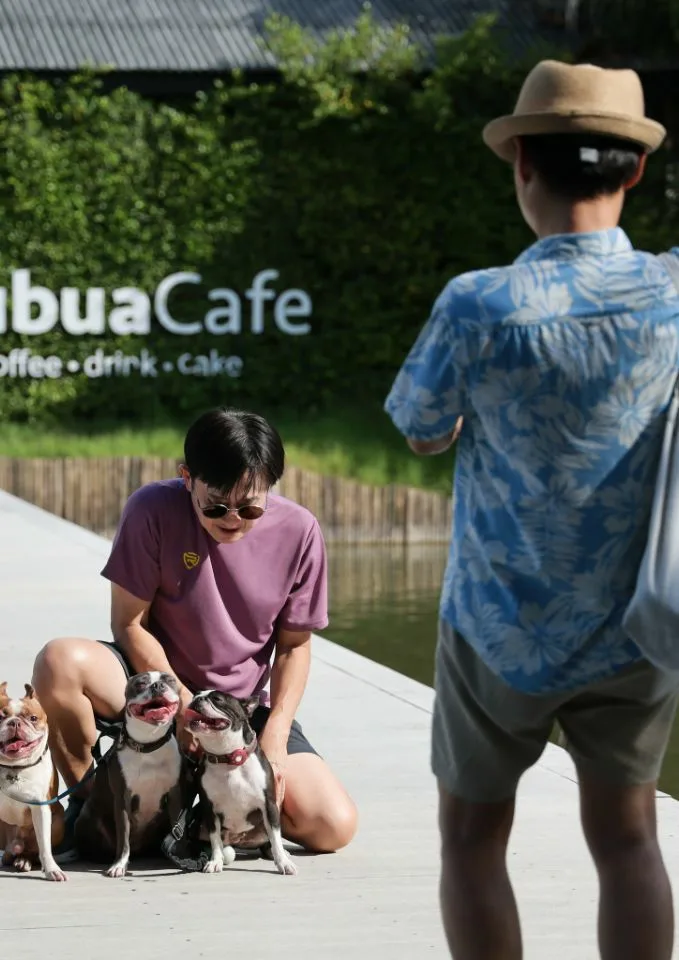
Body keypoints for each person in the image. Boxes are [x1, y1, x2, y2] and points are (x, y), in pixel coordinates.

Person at [385, 59, 679, 960]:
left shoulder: (477, 304)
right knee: (627, 838)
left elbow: (421, 430)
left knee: (471, 840)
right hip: (635, 625)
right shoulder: (673, 294)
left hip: (495, 626)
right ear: (634, 170)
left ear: (521, 164)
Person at [32, 406, 358, 864]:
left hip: (239, 708)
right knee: (59, 662)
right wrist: (183, 705)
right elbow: (129, 623)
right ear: (187, 477)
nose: (233, 518)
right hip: (156, 686)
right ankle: (100, 809)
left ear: (271, 486)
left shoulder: (300, 530)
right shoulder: (151, 509)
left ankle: (203, 822)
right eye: (216, 505)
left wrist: (276, 738)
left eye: (250, 507)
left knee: (332, 825)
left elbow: (294, 646)